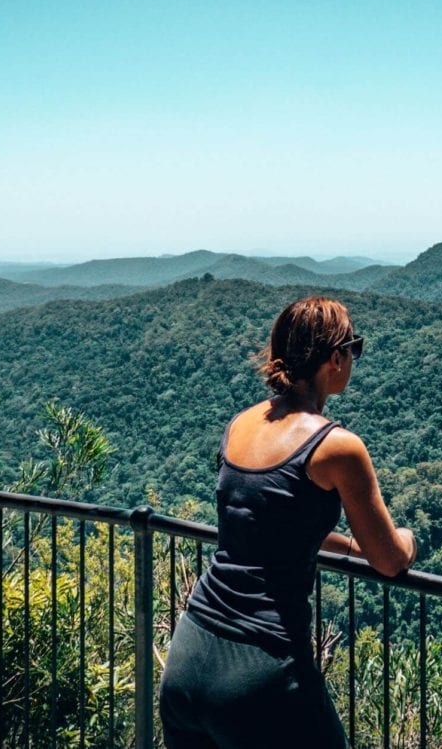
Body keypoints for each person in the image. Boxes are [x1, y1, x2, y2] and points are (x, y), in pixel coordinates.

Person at [158, 296, 418, 749]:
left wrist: (346, 546)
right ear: (335, 359)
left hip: (188, 653)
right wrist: (408, 539)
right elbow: (391, 561)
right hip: (260, 668)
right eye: (353, 348)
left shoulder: (241, 424)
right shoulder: (337, 447)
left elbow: (268, 525)